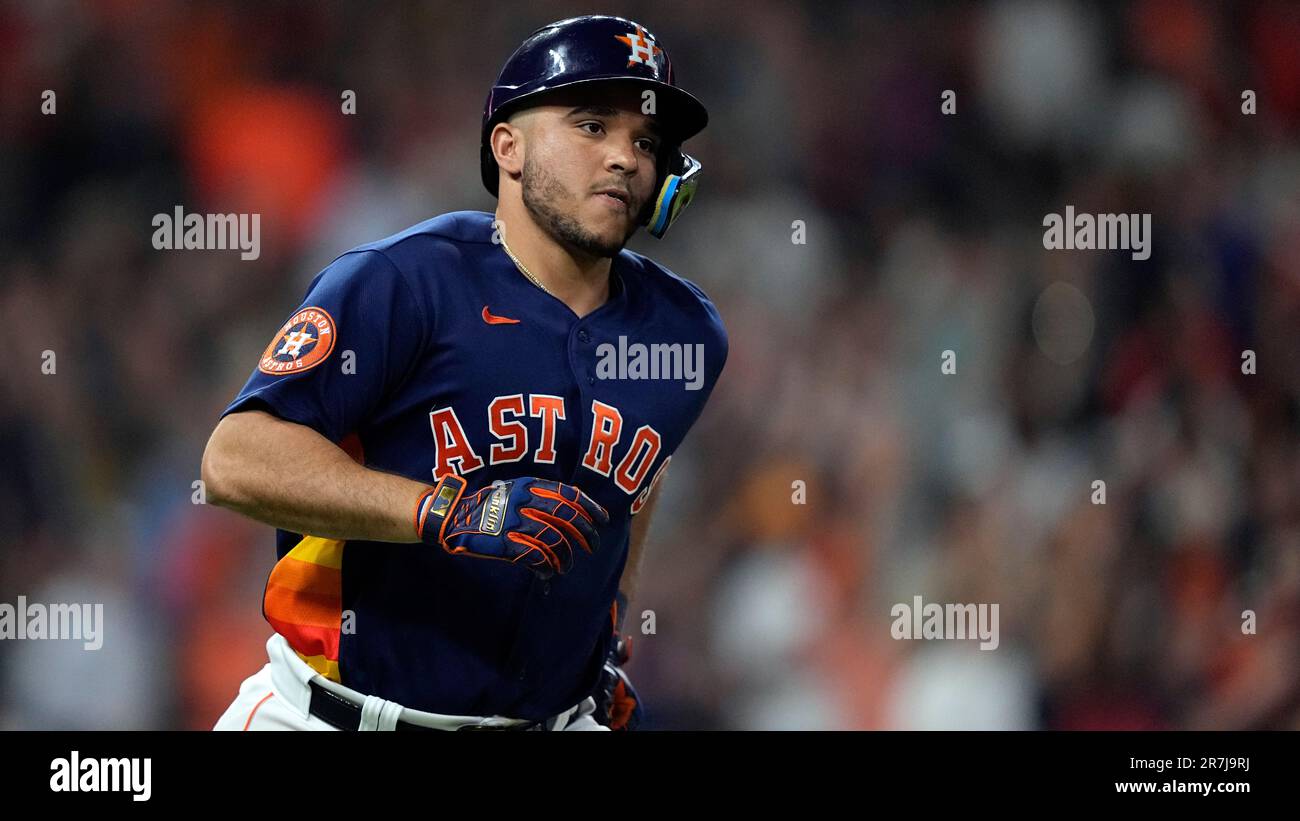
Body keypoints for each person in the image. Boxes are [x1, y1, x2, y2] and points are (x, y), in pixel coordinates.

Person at [204, 14, 726, 731]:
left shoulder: (685, 331)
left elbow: (640, 469)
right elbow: (235, 460)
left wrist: (607, 623)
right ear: (507, 146)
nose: (624, 158)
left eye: (645, 140)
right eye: (591, 125)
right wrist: (441, 509)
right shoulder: (403, 281)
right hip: (333, 716)